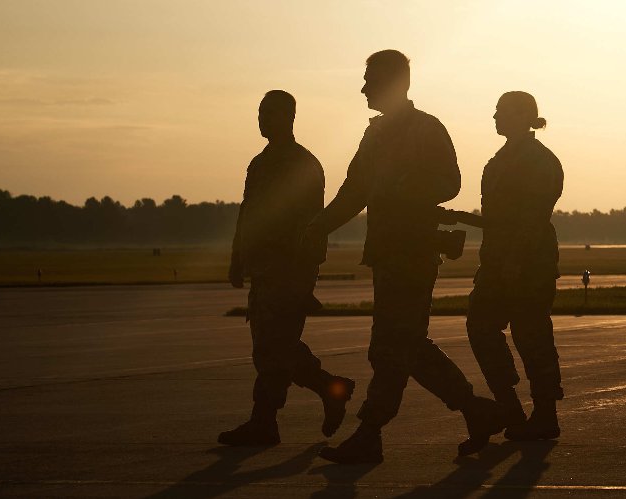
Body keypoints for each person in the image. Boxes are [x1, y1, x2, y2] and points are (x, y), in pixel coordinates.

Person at [303, 50, 505, 464]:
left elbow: (450, 182)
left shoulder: (426, 129)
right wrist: (318, 226)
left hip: (412, 254)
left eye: (371, 80)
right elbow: (354, 190)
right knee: (406, 345)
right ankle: (476, 411)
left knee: (391, 347)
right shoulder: (375, 135)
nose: (363, 88)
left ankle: (370, 432)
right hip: (387, 254)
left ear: (396, 84)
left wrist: (405, 187)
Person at [218, 90, 355, 446]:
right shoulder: (259, 163)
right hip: (264, 269)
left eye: (269, 113)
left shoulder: (303, 164)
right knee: (273, 346)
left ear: (289, 117)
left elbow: (311, 223)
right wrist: (237, 257)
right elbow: (248, 212)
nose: (262, 120)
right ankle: (324, 391)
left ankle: (269, 419)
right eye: (260, 113)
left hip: (289, 269)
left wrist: (302, 276)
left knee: (273, 347)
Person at [442, 91, 565, 441]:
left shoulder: (540, 161)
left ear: (523, 116)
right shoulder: (498, 161)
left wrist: (515, 259)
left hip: (530, 262)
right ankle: (510, 408)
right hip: (496, 260)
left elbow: (533, 218)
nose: (495, 117)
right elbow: (499, 220)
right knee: (480, 327)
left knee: (532, 336)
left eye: (501, 112)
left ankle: (545, 414)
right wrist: (459, 217)